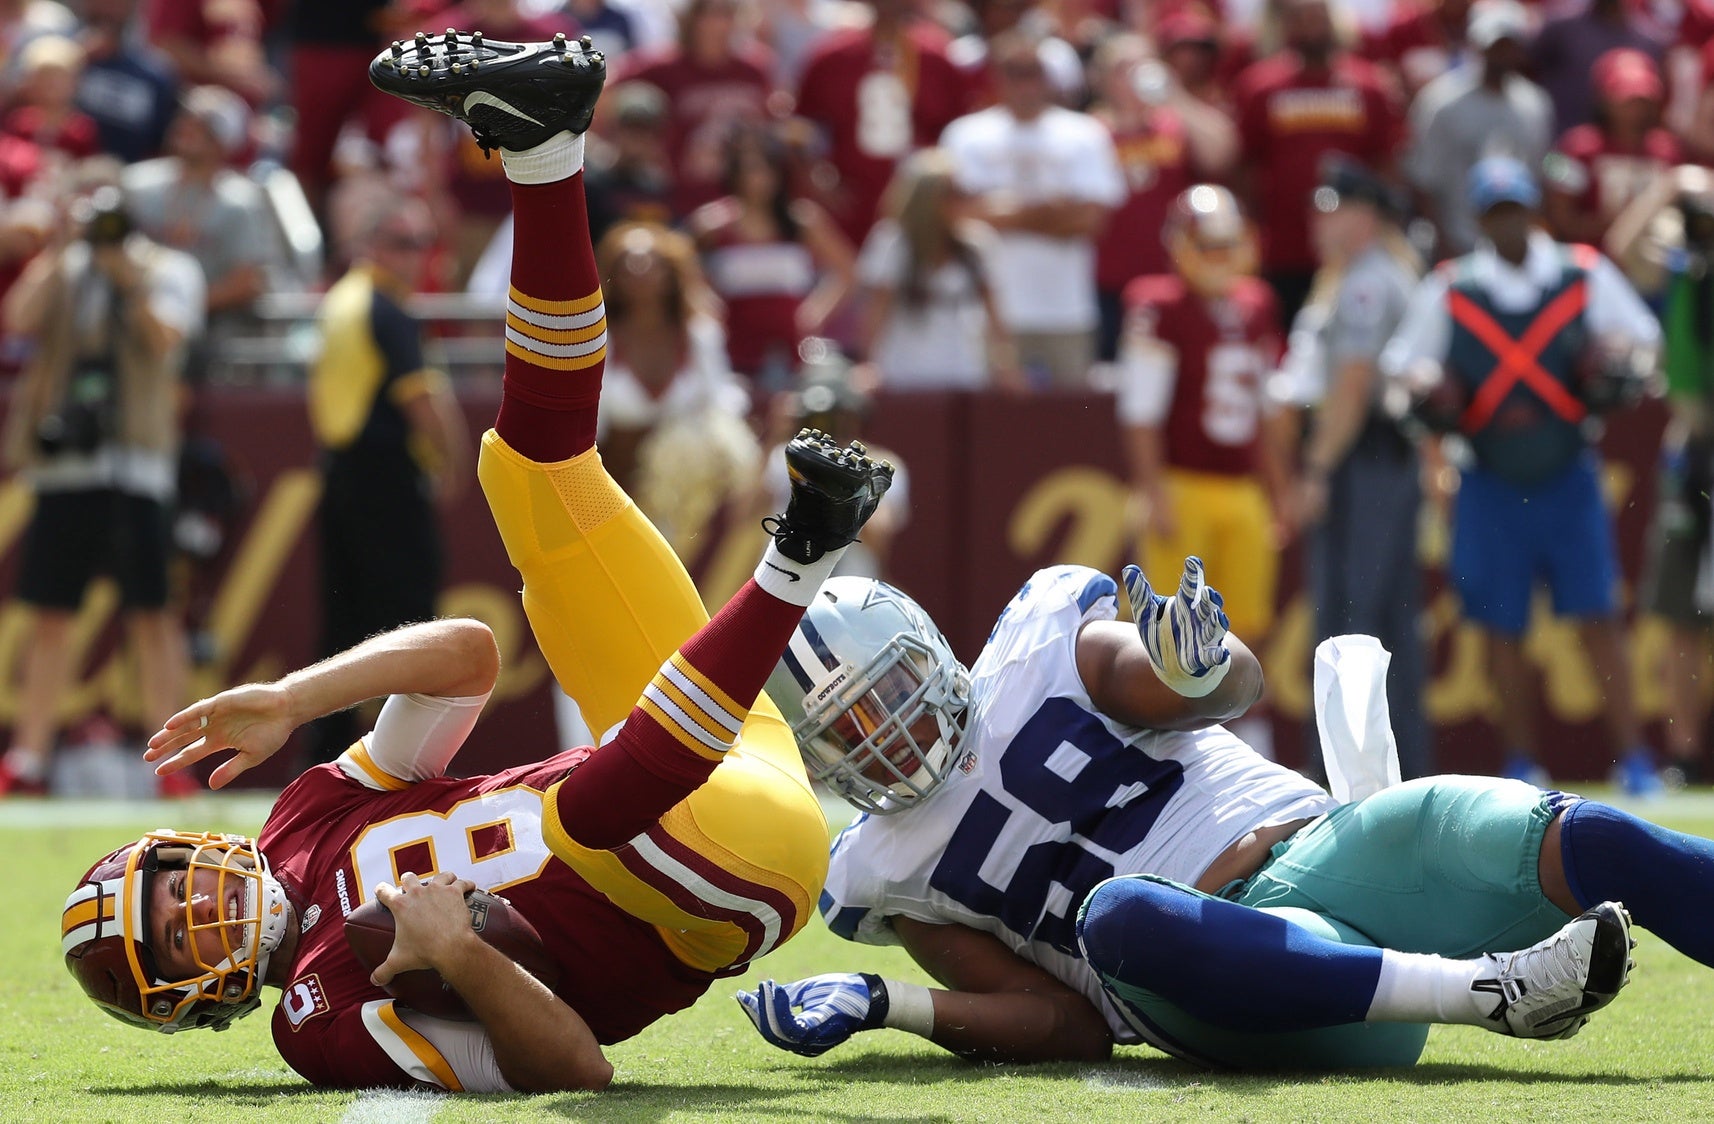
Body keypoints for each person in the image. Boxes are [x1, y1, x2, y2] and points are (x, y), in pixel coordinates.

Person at [58, 33, 895, 1093]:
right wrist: (455, 951)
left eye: (176, 889)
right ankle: (802, 553)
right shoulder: (318, 1016)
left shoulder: (301, 817)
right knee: (575, 818)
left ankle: (545, 151)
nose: (202, 907)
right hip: (714, 877)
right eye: (179, 937)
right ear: (193, 993)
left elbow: (466, 652)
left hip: (721, 754)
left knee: (533, 473)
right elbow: (575, 1068)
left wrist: (293, 694)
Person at [732, 554, 1714, 1068]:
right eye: (847, 726)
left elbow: (1214, 687)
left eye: (889, 688)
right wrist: (888, 1002)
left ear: (930, 648)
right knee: (1118, 913)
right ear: (822, 754)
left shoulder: (1039, 647)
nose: (885, 732)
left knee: (1588, 836)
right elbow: (1062, 1022)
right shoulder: (885, 866)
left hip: (1327, 845)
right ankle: (1485, 992)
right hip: (1227, 980)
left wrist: (1195, 663)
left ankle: (1490, 976)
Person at [1380, 155, 1662, 792]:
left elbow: (1641, 336)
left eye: (1515, 210)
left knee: (1598, 615)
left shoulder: (1582, 272)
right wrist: (1426, 385)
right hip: (1487, 476)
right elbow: (1403, 365)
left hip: (1568, 469)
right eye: (1494, 213)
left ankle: (1637, 759)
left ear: (1534, 210)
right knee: (1498, 623)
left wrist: (1617, 357)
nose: (1507, 225)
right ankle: (1521, 763)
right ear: (1480, 220)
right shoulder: (1453, 288)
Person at [0, 185, 203, 796]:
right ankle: (29, 757)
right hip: (68, 466)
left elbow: (167, 338)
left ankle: (175, 765)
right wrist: (62, 247)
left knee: (152, 615)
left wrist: (126, 279)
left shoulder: (168, 269)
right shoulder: (68, 266)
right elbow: (18, 317)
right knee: (51, 613)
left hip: (136, 463)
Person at [1117, 184, 1288, 756]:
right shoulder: (1158, 304)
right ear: (1182, 245)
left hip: (1241, 488)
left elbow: (1265, 413)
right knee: (1169, 627)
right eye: (1206, 244)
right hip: (1182, 484)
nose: (1218, 257)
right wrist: (1152, 489)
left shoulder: (1257, 302)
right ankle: (1161, 740)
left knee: (1247, 626)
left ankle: (1250, 737)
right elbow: (1141, 411)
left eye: (1226, 244)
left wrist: (1278, 490)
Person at [1275, 157, 1431, 780]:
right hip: (1382, 462)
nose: (1319, 219)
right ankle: (1400, 773)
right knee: (1386, 621)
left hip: (1362, 462)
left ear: (1364, 215)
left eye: (1331, 206)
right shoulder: (1369, 274)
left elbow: (1355, 382)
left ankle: (1344, 778)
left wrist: (1314, 467)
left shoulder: (1367, 280)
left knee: (1349, 624)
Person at [303, 188, 470, 765]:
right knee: (410, 623)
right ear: (370, 245)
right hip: (384, 481)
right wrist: (452, 460)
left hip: (344, 474)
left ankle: (325, 761)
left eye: (422, 243)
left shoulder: (341, 302)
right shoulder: (383, 307)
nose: (414, 255)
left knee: (346, 622)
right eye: (402, 243)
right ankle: (403, 762)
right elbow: (422, 401)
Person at [1606, 164, 1714, 783]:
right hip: (1693, 447)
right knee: (1679, 610)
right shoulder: (1683, 266)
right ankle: (1685, 752)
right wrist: (1672, 185)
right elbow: (1624, 251)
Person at [939, 31, 1125, 387]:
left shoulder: (1084, 133)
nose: (1025, 83)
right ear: (997, 75)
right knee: (993, 427)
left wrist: (999, 211)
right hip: (989, 313)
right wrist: (1051, 210)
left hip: (1067, 310)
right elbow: (955, 216)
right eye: (1014, 71)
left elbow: (1091, 220)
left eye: (1034, 71)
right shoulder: (965, 135)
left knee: (1071, 424)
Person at [1232, 0, 1404, 326]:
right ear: (1285, 26)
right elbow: (1244, 166)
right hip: (1283, 248)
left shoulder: (1369, 85)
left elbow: (1386, 163)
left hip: (1352, 248)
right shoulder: (1259, 86)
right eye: (1300, 19)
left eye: (1319, 18)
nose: (1311, 27)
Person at [689, 125, 855, 386]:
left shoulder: (802, 220)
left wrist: (815, 312)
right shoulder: (712, 224)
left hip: (793, 346)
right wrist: (706, 307)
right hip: (732, 347)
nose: (759, 178)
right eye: (750, 170)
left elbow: (847, 271)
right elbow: (684, 272)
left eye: (766, 168)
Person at [853, 147, 1019, 391]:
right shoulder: (892, 243)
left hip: (964, 373)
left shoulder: (978, 245)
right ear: (926, 198)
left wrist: (1007, 365)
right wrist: (867, 364)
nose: (964, 200)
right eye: (954, 193)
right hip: (902, 374)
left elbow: (995, 316)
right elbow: (876, 312)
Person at [1403, 0, 1552, 259]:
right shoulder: (1440, 102)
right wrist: (1444, 244)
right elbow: (1423, 182)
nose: (1500, 53)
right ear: (1475, 44)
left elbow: (1538, 176)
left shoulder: (1534, 104)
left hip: (1516, 247)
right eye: (1493, 45)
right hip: (1457, 241)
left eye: (1508, 45)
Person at [1543, 48, 1681, 249]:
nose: (1637, 110)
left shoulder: (1668, 150)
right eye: (1628, 101)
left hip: (1652, 269)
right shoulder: (1575, 147)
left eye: (1643, 100)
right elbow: (1559, 216)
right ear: (1605, 101)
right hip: (1592, 264)